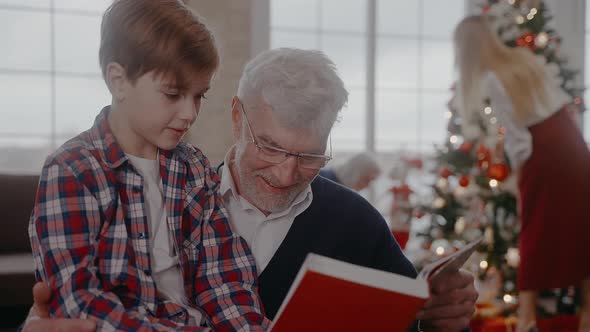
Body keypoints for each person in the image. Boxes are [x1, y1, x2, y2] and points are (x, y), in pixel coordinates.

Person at [25, 48, 477, 331]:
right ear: (238, 118)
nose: (285, 175)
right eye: (271, 147)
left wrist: (438, 323)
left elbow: (407, 317)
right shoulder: (172, 197)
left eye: (309, 157)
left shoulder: (356, 222)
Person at [26, 0, 268, 330]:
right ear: (119, 80)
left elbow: (223, 279)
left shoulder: (194, 168)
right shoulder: (72, 170)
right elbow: (81, 301)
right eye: (172, 94)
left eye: (199, 95)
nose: (189, 113)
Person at [454, 15, 590, 332]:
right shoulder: (525, 58)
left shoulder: (492, 77)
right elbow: (559, 104)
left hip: (541, 150)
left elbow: (518, 137)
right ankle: (587, 314)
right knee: (583, 225)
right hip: (572, 144)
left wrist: (520, 176)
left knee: (533, 228)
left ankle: (527, 317)